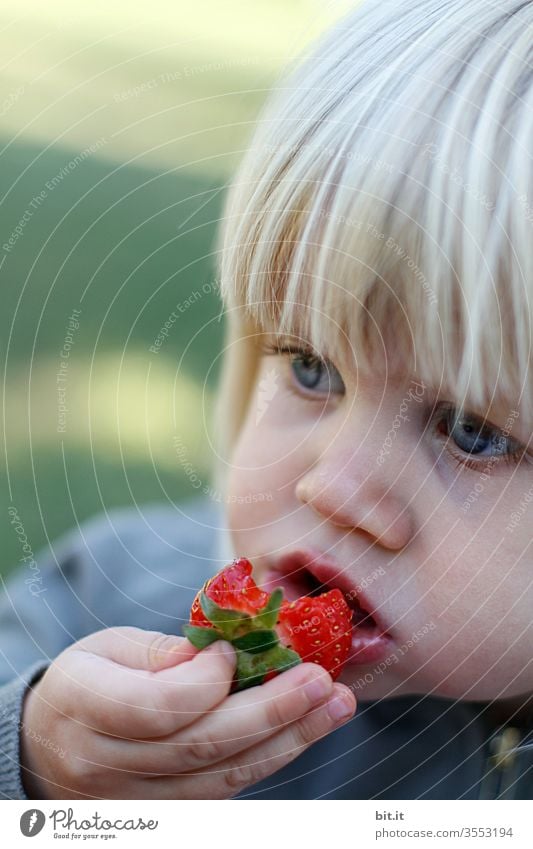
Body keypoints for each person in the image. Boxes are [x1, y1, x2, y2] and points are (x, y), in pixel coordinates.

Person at [1, 0, 532, 800]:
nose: (334, 486)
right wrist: (34, 764)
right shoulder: (110, 601)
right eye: (311, 367)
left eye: (470, 431)